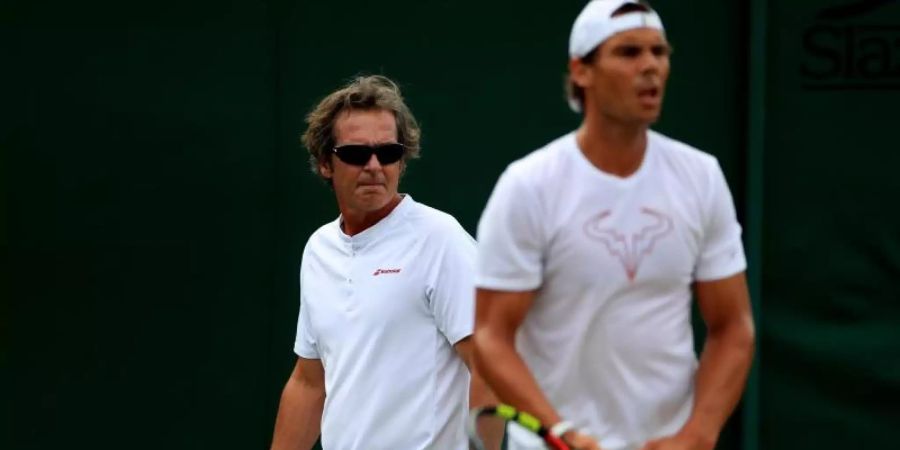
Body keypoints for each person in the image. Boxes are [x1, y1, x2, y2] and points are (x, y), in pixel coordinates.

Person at [472, 1, 756, 450]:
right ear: (581, 70)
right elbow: (491, 336)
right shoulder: (529, 186)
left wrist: (698, 433)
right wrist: (561, 433)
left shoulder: (701, 177)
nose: (651, 67)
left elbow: (734, 326)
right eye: (628, 53)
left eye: (659, 52)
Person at [271, 75, 492, 450]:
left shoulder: (440, 239)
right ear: (326, 163)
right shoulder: (319, 248)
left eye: (388, 152)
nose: (374, 165)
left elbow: (490, 369)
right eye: (357, 154)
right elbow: (310, 382)